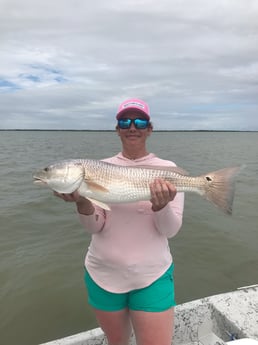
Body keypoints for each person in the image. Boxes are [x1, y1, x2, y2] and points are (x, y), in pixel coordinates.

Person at [55, 98, 185, 345]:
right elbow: (96, 226)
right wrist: (82, 202)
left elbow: (170, 231)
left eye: (140, 121)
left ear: (149, 128)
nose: (132, 127)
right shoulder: (99, 167)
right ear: (117, 129)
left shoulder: (168, 170)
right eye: (125, 121)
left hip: (153, 276)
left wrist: (161, 206)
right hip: (102, 274)